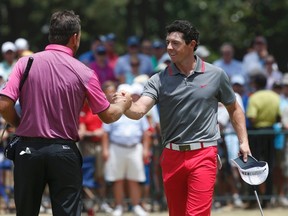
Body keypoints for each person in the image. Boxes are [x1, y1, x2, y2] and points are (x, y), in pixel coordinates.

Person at [0, 10, 131, 216]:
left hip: (28, 149)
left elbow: (4, 104)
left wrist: (19, 123)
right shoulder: (84, 71)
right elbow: (108, 115)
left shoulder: (26, 63)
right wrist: (123, 104)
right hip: (64, 151)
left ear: (51, 35)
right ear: (75, 37)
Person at [118, 20, 251, 216]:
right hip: (171, 156)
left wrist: (244, 142)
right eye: (167, 42)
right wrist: (126, 105)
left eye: (175, 43)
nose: (169, 48)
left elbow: (234, 109)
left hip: (204, 153)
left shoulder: (216, 75)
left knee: (195, 214)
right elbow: (139, 110)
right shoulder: (158, 79)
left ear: (192, 44)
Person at [102, 83, 150, 216]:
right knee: (117, 179)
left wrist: (145, 150)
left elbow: (146, 132)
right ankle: (119, 206)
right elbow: (106, 132)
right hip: (116, 147)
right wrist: (105, 150)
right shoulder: (112, 110)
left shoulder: (139, 110)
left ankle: (136, 206)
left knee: (134, 179)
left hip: (135, 148)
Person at [246, 73, 281, 208]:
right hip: (270, 132)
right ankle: (268, 198)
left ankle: (253, 199)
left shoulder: (254, 97)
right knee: (269, 166)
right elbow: (278, 117)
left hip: (256, 133)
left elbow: (252, 118)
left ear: (256, 84)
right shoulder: (274, 96)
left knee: (253, 166)